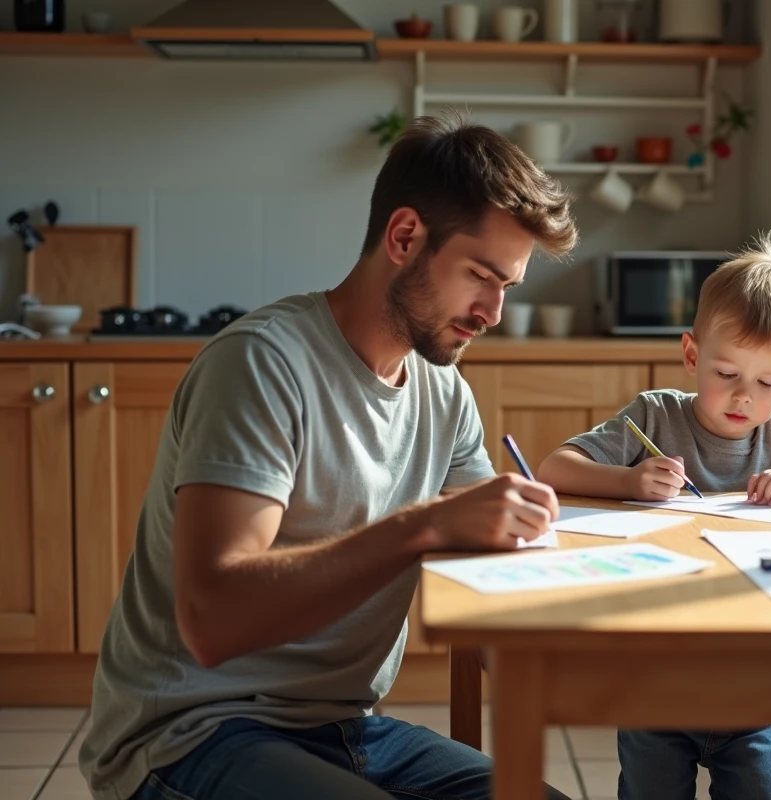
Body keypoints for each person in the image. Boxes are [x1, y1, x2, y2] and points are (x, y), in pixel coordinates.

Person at [79, 113, 578, 800]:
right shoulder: (261, 365)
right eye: (481, 276)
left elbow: (483, 564)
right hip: (192, 730)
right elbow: (211, 620)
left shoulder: (444, 392)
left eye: (508, 287)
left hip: (345, 727)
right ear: (405, 236)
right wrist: (422, 527)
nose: (493, 310)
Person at [536, 233, 771, 800]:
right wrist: (628, 480)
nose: (744, 398)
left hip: (754, 689)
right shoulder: (654, 416)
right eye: (726, 374)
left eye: (767, 383)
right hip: (653, 686)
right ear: (691, 355)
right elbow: (555, 467)